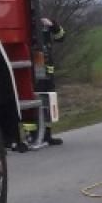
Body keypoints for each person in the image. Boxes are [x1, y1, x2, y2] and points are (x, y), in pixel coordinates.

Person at [27, 16, 66, 146]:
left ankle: (47, 134)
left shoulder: (45, 23)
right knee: (34, 99)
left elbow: (61, 37)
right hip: (34, 68)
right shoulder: (26, 23)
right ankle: (31, 135)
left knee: (49, 100)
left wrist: (53, 24)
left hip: (47, 69)